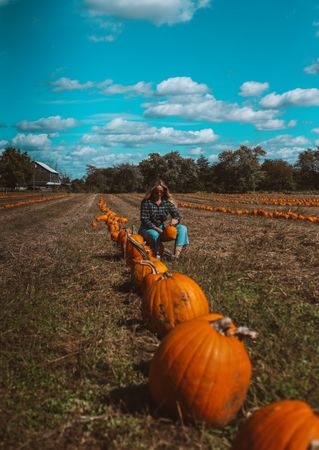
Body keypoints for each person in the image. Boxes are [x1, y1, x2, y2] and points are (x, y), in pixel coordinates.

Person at [139, 180, 189, 259]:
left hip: (161, 228)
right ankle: (157, 255)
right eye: (156, 192)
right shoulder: (146, 202)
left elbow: (176, 215)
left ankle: (176, 256)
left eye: (161, 192)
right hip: (147, 229)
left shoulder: (166, 203)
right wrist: (157, 229)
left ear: (164, 192)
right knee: (154, 234)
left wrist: (175, 220)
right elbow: (144, 219)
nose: (159, 194)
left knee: (182, 228)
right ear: (152, 192)